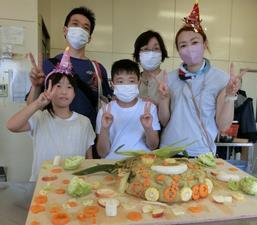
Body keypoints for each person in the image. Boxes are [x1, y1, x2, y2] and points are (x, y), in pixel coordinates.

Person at [159, 2, 247, 157]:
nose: (189, 48)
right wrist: (163, 99)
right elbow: (164, 121)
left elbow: (223, 125)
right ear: (178, 50)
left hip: (201, 154)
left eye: (194, 42)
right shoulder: (170, 78)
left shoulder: (220, 78)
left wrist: (229, 95)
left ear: (204, 44)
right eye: (183, 45)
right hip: (169, 152)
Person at [26, 6, 112, 158]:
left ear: (89, 37)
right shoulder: (48, 65)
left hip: (86, 141)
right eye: (75, 24)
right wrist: (36, 86)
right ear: (65, 30)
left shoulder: (98, 69)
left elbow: (108, 105)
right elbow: (30, 109)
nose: (80, 29)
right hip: (53, 141)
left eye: (86, 28)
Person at [7, 48, 95, 181]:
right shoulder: (40, 117)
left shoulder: (84, 122)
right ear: (48, 89)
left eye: (69, 87)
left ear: (75, 93)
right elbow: (12, 126)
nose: (64, 91)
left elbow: (89, 159)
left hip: (72, 186)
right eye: (58, 86)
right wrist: (37, 103)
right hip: (41, 186)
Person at [96, 59, 160, 159]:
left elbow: (153, 146)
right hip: (112, 165)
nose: (126, 85)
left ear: (138, 82)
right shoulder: (104, 111)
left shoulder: (149, 108)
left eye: (131, 81)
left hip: (142, 164)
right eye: (120, 81)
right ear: (112, 84)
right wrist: (104, 129)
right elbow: (102, 153)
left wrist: (148, 128)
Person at [133, 30, 169, 104]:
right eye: (146, 49)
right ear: (138, 55)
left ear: (162, 53)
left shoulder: (170, 80)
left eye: (156, 48)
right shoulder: (132, 81)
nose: (151, 53)